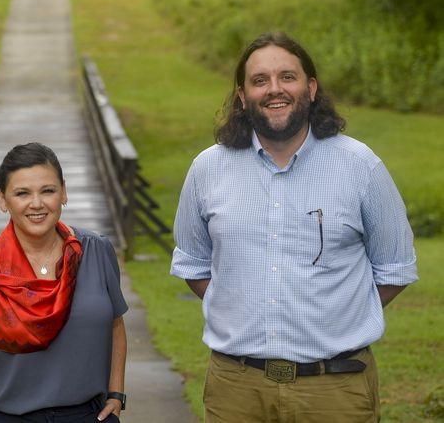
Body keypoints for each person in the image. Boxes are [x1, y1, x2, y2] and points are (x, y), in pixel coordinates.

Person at [170, 31, 418, 422]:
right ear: (241, 95)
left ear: (312, 87)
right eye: (259, 80)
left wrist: (336, 317)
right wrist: (240, 308)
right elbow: (193, 263)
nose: (274, 89)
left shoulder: (360, 166)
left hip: (336, 390)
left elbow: (395, 267)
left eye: (288, 76)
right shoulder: (208, 169)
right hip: (236, 390)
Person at [0, 142, 128, 423]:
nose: (36, 204)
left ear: (63, 191)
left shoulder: (96, 252)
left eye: (47, 191)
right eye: (22, 193)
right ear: (2, 199)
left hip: (87, 415)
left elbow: (115, 324)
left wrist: (116, 393)